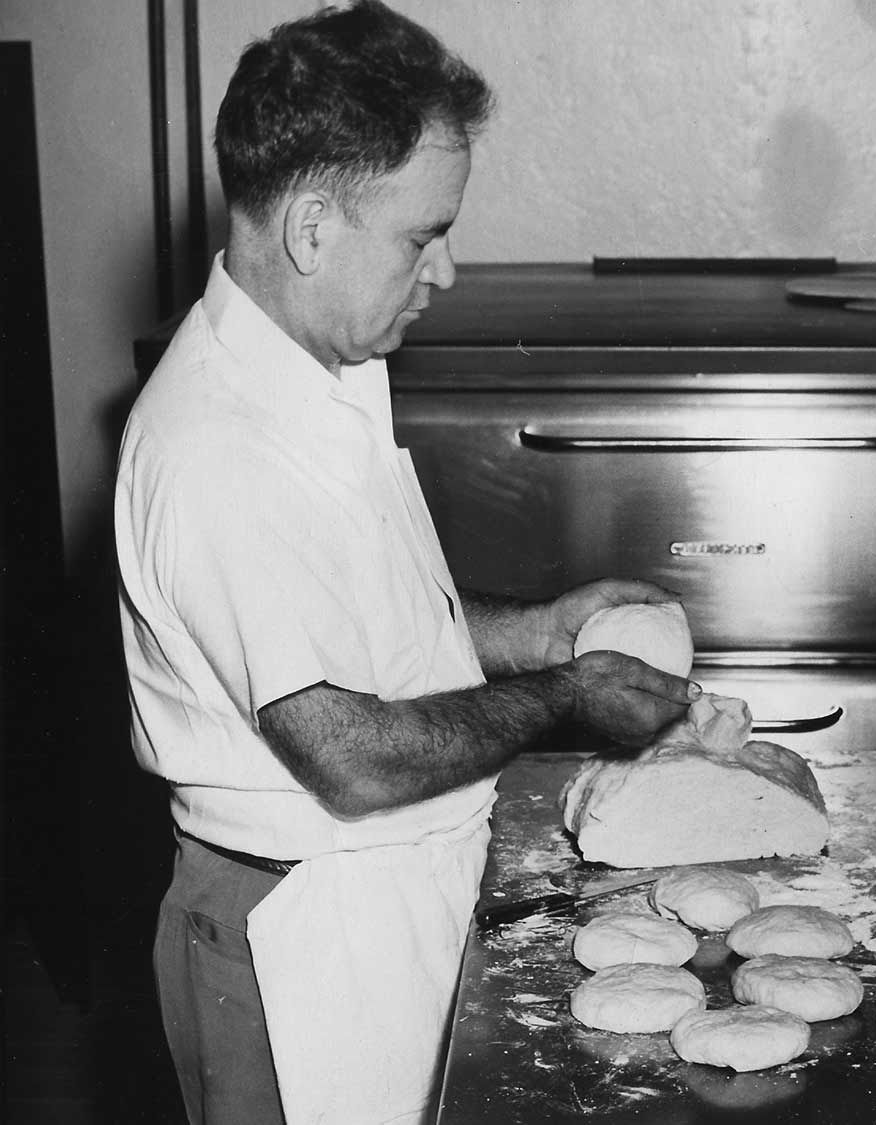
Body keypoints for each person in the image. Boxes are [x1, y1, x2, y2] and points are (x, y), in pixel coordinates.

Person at [113, 4, 698, 1122]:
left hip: (384, 908)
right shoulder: (215, 447)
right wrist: (566, 693)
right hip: (299, 944)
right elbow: (350, 756)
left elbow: (369, 612)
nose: (448, 269)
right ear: (314, 228)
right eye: (423, 234)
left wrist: (536, 630)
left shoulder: (318, 369)